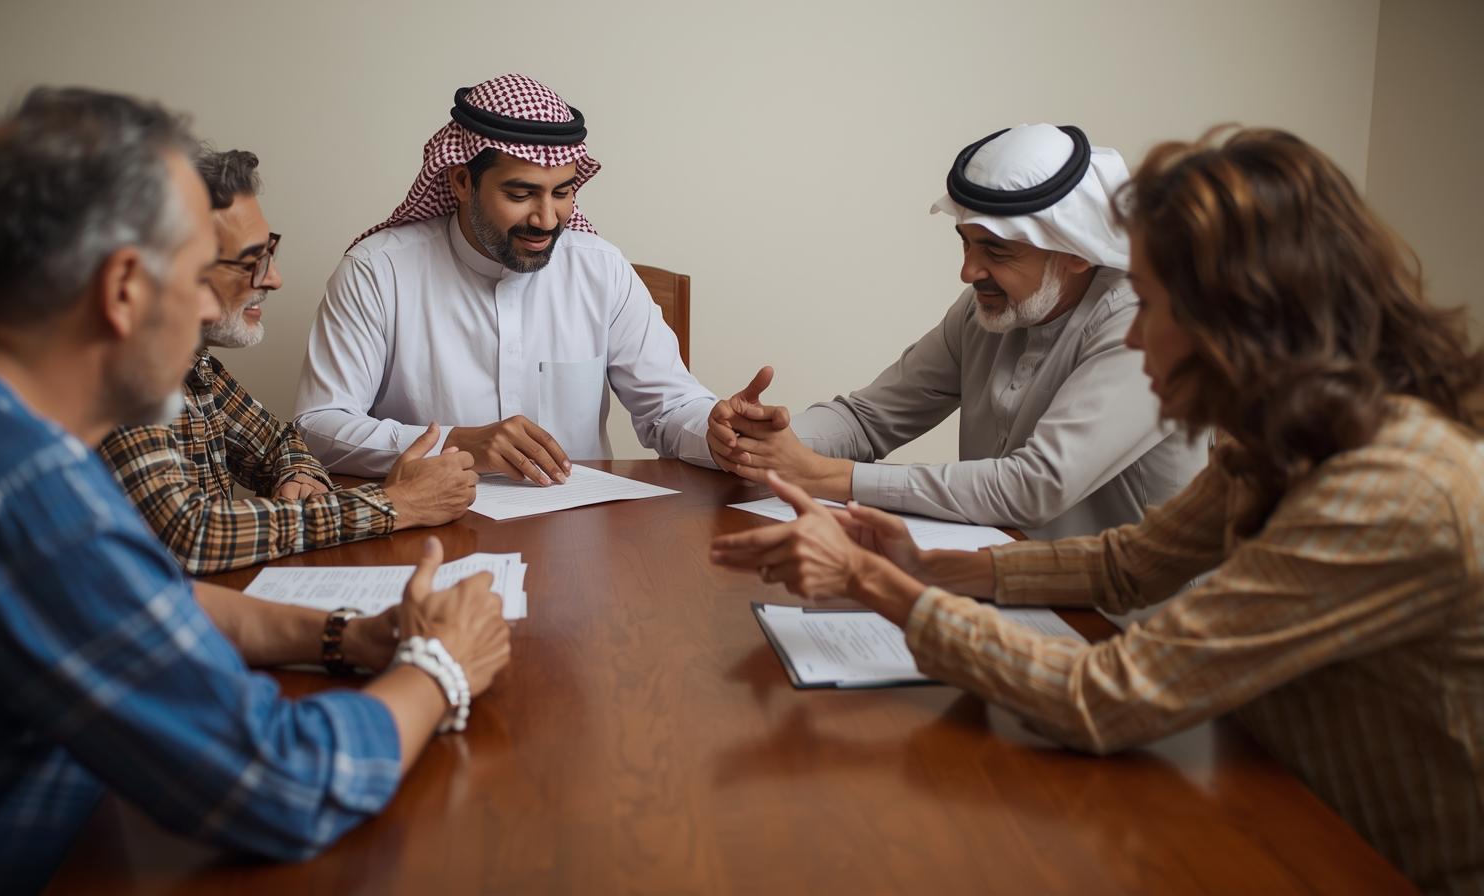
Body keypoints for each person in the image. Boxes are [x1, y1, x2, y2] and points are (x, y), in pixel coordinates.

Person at [709, 127, 1484, 893]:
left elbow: (1102, 697)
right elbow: (1130, 562)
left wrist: (872, 582)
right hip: (1279, 803)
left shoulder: (1385, 490)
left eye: (1151, 306)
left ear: (1240, 318)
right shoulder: (1281, 437)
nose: (1136, 338)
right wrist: (930, 567)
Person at [0, 87, 510, 894]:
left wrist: (344, 636)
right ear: (123, 290)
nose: (215, 304)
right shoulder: (30, 500)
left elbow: (147, 600)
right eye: (196, 276)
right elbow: (282, 784)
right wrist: (440, 667)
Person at [709, 124, 1207, 539]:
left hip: (1132, 617)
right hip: (1005, 583)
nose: (968, 272)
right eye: (965, 243)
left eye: (996, 250)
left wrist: (827, 475)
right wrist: (766, 440)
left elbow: (1033, 487)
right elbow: (868, 419)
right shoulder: (987, 310)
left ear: (1076, 252)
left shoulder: (1146, 326)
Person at [294, 73, 717, 483]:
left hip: (577, 523)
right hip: (433, 521)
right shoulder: (377, 271)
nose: (546, 219)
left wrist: (719, 433)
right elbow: (318, 425)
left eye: (562, 193)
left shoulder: (600, 269)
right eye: (520, 194)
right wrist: (455, 444)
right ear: (462, 181)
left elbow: (671, 408)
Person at [99, 147, 476, 574]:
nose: (274, 278)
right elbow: (193, 535)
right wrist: (395, 504)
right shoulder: (119, 375)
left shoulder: (194, 364)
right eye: (251, 261)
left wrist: (297, 476)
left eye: (269, 254)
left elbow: (282, 442)